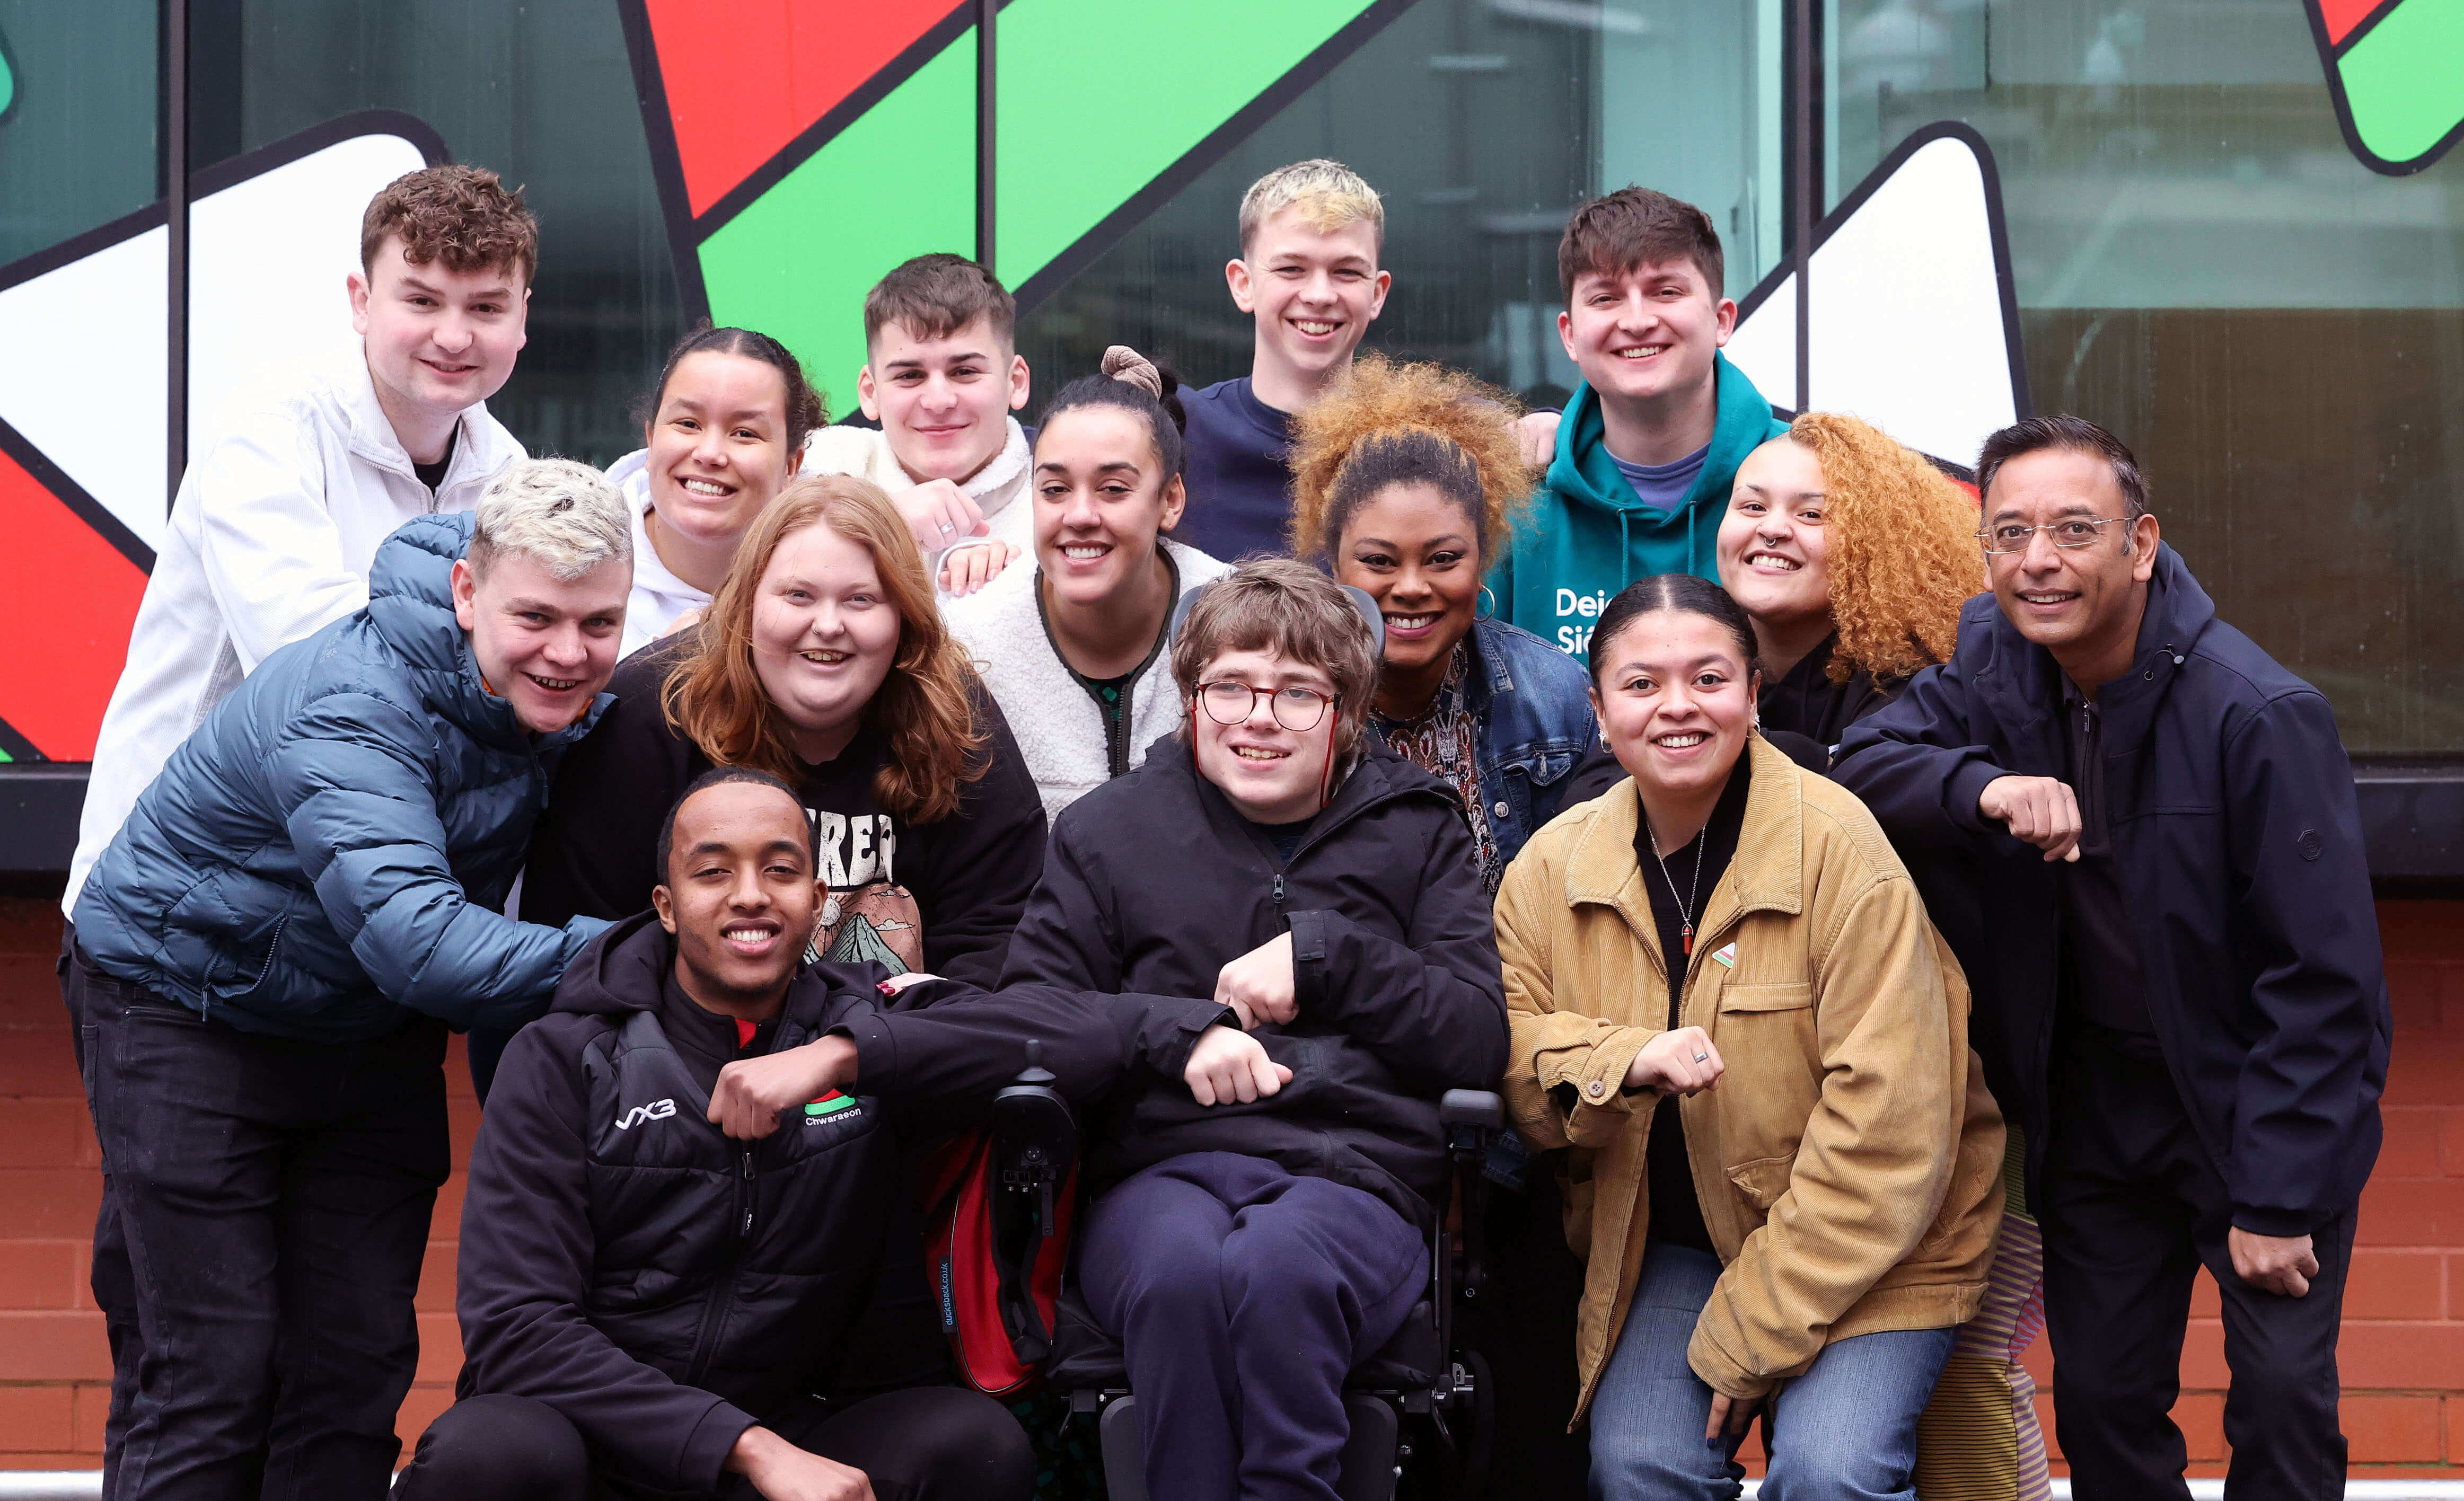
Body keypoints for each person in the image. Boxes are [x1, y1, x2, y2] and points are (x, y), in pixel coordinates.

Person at [1834, 416, 2390, 1498]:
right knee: (2098, 1401)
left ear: (2139, 545)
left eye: (2072, 530)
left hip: (2250, 1102)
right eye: (2009, 535)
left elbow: (2323, 985)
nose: (2036, 560)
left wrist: (2275, 1198)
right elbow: (1866, 762)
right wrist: (1981, 789)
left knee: (2277, 1406)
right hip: (2096, 1112)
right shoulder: (1996, 662)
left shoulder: (2256, 714)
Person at [65, 460, 633, 1499]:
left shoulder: (563, 703)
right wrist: (640, 958)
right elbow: (419, 942)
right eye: (536, 617)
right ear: (467, 592)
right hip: (183, 1005)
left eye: (598, 624)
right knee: (210, 1368)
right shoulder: (354, 703)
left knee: (355, 1366)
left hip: (360, 1029)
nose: (568, 652)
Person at [395, 767, 1120, 1501]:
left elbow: (1075, 1033)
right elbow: (517, 1333)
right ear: (667, 906)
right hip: (598, 1440)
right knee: (485, 1454)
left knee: (974, 1446)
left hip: (789, 1423)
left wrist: (845, 1055)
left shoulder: (867, 1023)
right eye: (713, 872)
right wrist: (744, 1447)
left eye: (781, 869)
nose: (749, 894)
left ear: (815, 900)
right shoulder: (562, 1056)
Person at [1001, 558, 1510, 1501]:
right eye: (1227, 686)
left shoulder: (1416, 826)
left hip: (1354, 1175)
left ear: (1348, 713)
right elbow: (1033, 1015)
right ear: (1190, 699)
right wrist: (1179, 1031)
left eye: (1297, 693)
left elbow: (1476, 1036)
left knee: (1281, 1265)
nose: (1257, 716)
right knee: (1183, 1272)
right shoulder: (1108, 832)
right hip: (1159, 1173)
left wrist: (1326, 957)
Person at [1495, 572, 2005, 1501]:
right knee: (1639, 1462)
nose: (1676, 707)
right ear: (1597, 709)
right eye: (1641, 685)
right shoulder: (1548, 867)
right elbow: (1518, 1064)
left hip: (1881, 1245)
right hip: (1673, 1242)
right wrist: (1621, 1060)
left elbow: (1892, 1134)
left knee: (1828, 1471)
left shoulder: (1840, 846)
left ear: (1752, 695)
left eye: (1708, 678)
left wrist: (1750, 1332)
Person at [524, 473, 1047, 988]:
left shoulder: (953, 715)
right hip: (684, 1056)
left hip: (902, 1054)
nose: (827, 625)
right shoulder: (650, 711)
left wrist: (889, 1052)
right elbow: (585, 942)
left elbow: (998, 937)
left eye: (861, 599)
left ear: (905, 620)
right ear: (746, 605)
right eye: (798, 595)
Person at [1286, 353, 1595, 889]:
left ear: (1483, 560)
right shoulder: (1281, 703)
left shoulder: (1553, 697)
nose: (1410, 587)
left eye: (1443, 559)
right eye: (1379, 561)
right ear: (1334, 569)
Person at [1490, 188, 1790, 663]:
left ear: (1722, 320)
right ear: (1569, 335)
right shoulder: (1516, 497)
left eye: (1666, 292)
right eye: (1606, 297)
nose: (1636, 321)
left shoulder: (1809, 486)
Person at [943, 347, 1229, 819]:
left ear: (1171, 499)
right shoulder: (967, 645)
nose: (1079, 515)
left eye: (1114, 488)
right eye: (1054, 489)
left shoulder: (1243, 618)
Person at [802, 253, 1034, 598]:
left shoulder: (1066, 498)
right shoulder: (807, 472)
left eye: (965, 372)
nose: (938, 401)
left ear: (1015, 381)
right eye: (910, 375)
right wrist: (882, 522)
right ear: (870, 392)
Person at [608, 324, 829, 656]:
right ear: (651, 441)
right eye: (688, 424)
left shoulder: (839, 582)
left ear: (791, 467)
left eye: (744, 433)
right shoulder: (566, 564)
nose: (709, 453)